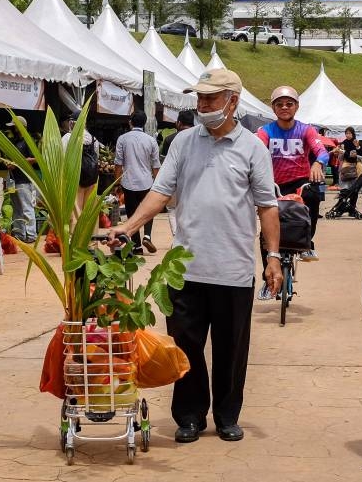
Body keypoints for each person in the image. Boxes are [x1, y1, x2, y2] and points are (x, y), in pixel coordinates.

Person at [108, 68, 281, 444]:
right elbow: (160, 191)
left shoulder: (253, 148)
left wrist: (273, 257)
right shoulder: (183, 142)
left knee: (230, 349)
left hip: (233, 269)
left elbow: (267, 207)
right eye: (199, 98)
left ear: (232, 101)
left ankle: (227, 415)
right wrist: (131, 225)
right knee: (184, 346)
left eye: (210, 98)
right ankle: (189, 416)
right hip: (184, 268)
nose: (202, 104)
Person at [256, 86, 328, 286]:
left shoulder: (306, 129)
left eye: (289, 104)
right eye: (279, 104)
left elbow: (321, 151)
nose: (284, 107)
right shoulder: (265, 131)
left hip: (300, 183)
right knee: (266, 223)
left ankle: (308, 242)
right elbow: (255, 151)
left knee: (313, 196)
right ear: (273, 108)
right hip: (273, 183)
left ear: (296, 106)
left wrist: (317, 162)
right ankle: (268, 276)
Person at [115, 110, 161, 254]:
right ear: (145, 123)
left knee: (132, 213)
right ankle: (147, 235)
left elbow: (118, 163)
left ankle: (137, 246)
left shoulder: (122, 139)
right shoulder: (151, 140)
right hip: (146, 181)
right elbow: (155, 164)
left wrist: (116, 183)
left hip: (128, 182)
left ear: (130, 122)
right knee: (148, 210)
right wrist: (157, 183)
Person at [61, 111, 101, 218]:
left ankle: (75, 234)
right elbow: (96, 158)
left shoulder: (68, 138)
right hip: (91, 179)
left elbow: (62, 158)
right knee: (88, 211)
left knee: (75, 212)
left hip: (74, 179)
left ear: (73, 123)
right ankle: (89, 234)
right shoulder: (93, 139)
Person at [5, 116, 37, 242]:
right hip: (14, 181)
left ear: (21, 127)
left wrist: (18, 163)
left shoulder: (28, 141)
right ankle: (19, 235)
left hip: (24, 181)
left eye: (15, 126)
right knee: (17, 209)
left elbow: (35, 159)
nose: (13, 129)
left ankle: (31, 236)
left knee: (26, 208)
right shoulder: (16, 142)